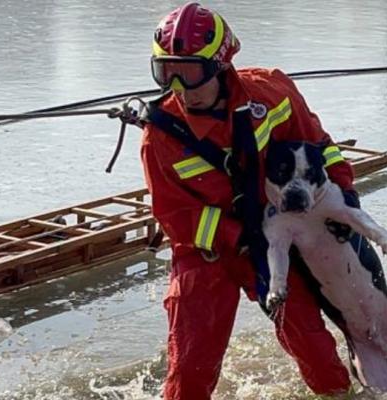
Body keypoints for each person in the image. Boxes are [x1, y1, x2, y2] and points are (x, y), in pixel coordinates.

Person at [139, 3, 359, 399]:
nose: (179, 89)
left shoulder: (272, 94)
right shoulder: (159, 136)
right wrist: (239, 235)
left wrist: (347, 198)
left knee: (314, 345)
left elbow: (321, 149)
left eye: (188, 73)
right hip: (206, 252)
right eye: (165, 73)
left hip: (272, 239)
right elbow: (174, 216)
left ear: (221, 66)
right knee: (191, 367)